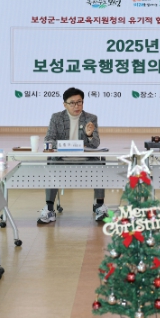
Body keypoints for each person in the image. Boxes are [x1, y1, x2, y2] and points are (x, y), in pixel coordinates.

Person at [38, 87, 105, 224]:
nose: (76, 106)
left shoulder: (91, 118)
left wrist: (90, 135)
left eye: (79, 102)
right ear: (65, 104)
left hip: (86, 159)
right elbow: (49, 139)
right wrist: (64, 145)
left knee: (100, 164)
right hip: (62, 159)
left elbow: (96, 144)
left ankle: (99, 205)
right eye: (72, 103)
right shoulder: (57, 118)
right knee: (51, 164)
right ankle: (49, 209)